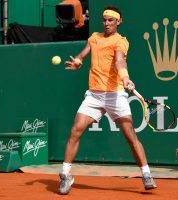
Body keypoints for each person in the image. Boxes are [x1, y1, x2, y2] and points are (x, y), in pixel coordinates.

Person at [59, 6, 157, 195]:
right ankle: (65, 174)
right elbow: (83, 53)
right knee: (75, 130)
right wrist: (78, 61)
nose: (106, 23)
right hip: (94, 95)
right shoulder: (94, 37)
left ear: (118, 22)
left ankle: (146, 174)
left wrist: (125, 77)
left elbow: (119, 60)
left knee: (130, 136)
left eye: (110, 20)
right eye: (104, 20)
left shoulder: (120, 41)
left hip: (115, 94)